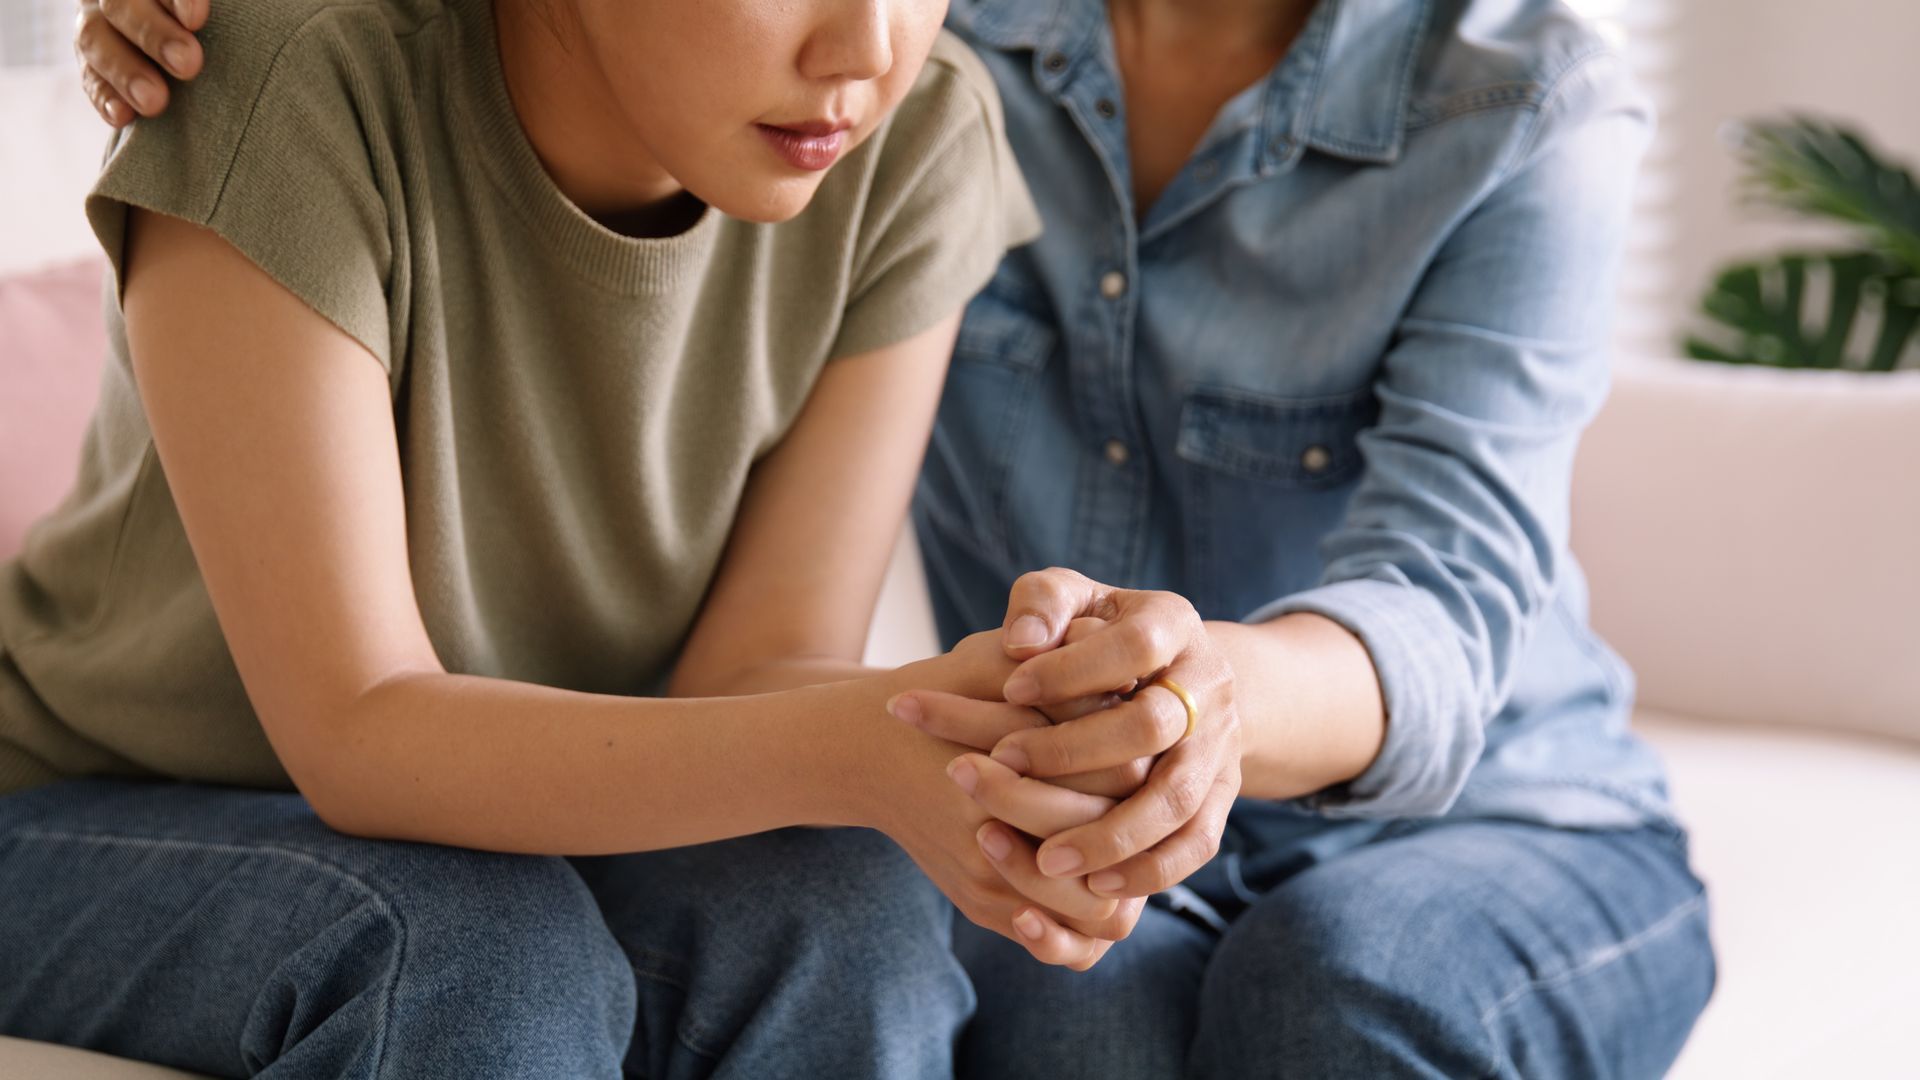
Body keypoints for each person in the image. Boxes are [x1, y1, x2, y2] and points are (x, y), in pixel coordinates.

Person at [66, 0, 1722, 1076]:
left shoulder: (1513, 99)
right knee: (1009, 1014)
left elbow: (1449, 595)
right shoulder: (952, 62)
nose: (861, 46)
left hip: (1473, 808)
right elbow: (386, 727)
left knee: (1318, 995)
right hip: (141, 797)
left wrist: (1151, 705)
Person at [0, 0, 1145, 1077]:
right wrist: (854, 749)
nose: (863, 50)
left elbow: (752, 673)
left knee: (843, 904)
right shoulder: (299, 75)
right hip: (92, 804)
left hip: (548, 820)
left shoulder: (917, 132)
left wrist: (967, 723)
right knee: (468, 952)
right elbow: (358, 731)